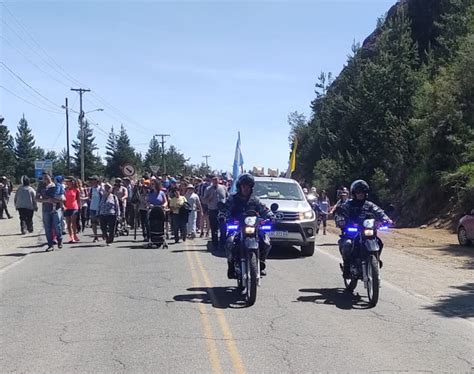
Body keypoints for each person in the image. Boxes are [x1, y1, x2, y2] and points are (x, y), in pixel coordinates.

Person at [220, 173, 274, 278]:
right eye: (243, 186)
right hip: (237, 227)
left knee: (266, 241)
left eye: (248, 186)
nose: (246, 188)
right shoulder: (233, 199)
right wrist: (222, 216)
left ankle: (261, 263)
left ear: (251, 187)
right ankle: (231, 265)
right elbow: (225, 209)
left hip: (253, 227)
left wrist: (270, 216)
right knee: (229, 242)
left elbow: (264, 210)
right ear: (240, 186)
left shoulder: (255, 200)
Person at [335, 180, 392, 278]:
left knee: (379, 242)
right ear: (354, 193)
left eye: (363, 192)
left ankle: (376, 259)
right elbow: (340, 214)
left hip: (367, 231)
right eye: (358, 192)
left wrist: (386, 220)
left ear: (366, 193)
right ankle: (347, 268)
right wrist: (341, 221)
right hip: (352, 232)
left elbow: (379, 212)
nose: (360, 195)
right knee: (348, 244)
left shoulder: (370, 205)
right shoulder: (348, 205)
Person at [36, 172, 65, 251]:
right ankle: (50, 244)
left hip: (56, 208)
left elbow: (63, 198)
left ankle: (59, 239)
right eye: (43, 177)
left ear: (50, 177)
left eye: (46, 177)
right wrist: (46, 200)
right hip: (46, 209)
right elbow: (37, 198)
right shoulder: (41, 186)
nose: (45, 179)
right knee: (47, 227)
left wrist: (57, 200)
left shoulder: (56, 185)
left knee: (57, 225)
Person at [203, 176, 227, 250]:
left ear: (219, 180)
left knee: (223, 227)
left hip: (222, 211)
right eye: (214, 180)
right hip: (213, 210)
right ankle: (215, 244)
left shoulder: (223, 187)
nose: (215, 181)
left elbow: (227, 196)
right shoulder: (208, 189)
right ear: (212, 181)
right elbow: (204, 200)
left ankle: (223, 243)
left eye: (216, 180)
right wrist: (209, 198)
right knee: (214, 228)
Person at [64, 178, 81, 243]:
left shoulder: (76, 190)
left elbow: (78, 199)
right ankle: (71, 237)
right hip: (67, 207)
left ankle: (74, 235)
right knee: (68, 223)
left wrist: (80, 208)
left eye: (69, 181)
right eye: (67, 182)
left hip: (74, 207)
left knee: (73, 222)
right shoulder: (65, 190)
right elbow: (63, 199)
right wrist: (63, 206)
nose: (68, 183)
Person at [88, 175, 103, 243]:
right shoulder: (91, 189)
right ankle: (95, 236)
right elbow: (89, 197)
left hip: (99, 208)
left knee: (102, 222)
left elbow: (102, 197)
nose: (92, 181)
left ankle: (104, 234)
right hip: (92, 208)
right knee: (94, 223)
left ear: (96, 181)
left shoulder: (100, 188)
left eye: (93, 180)